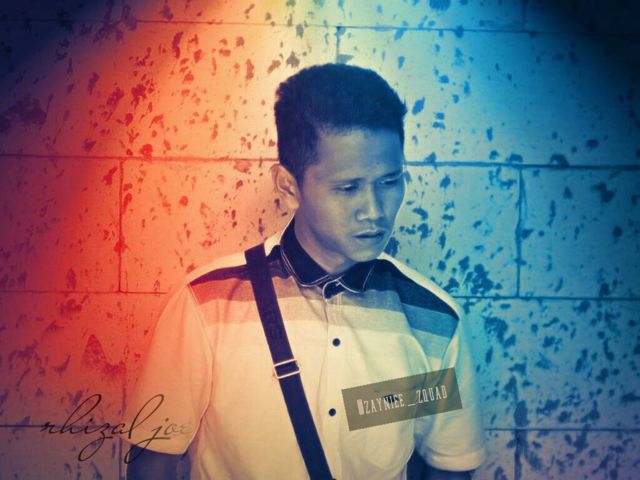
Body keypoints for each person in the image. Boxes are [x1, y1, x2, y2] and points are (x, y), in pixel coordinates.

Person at [121, 63, 487, 479]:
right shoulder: (206, 305)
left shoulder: (435, 320)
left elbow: (450, 467)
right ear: (288, 186)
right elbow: (152, 461)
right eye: (348, 188)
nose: (375, 210)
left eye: (390, 182)